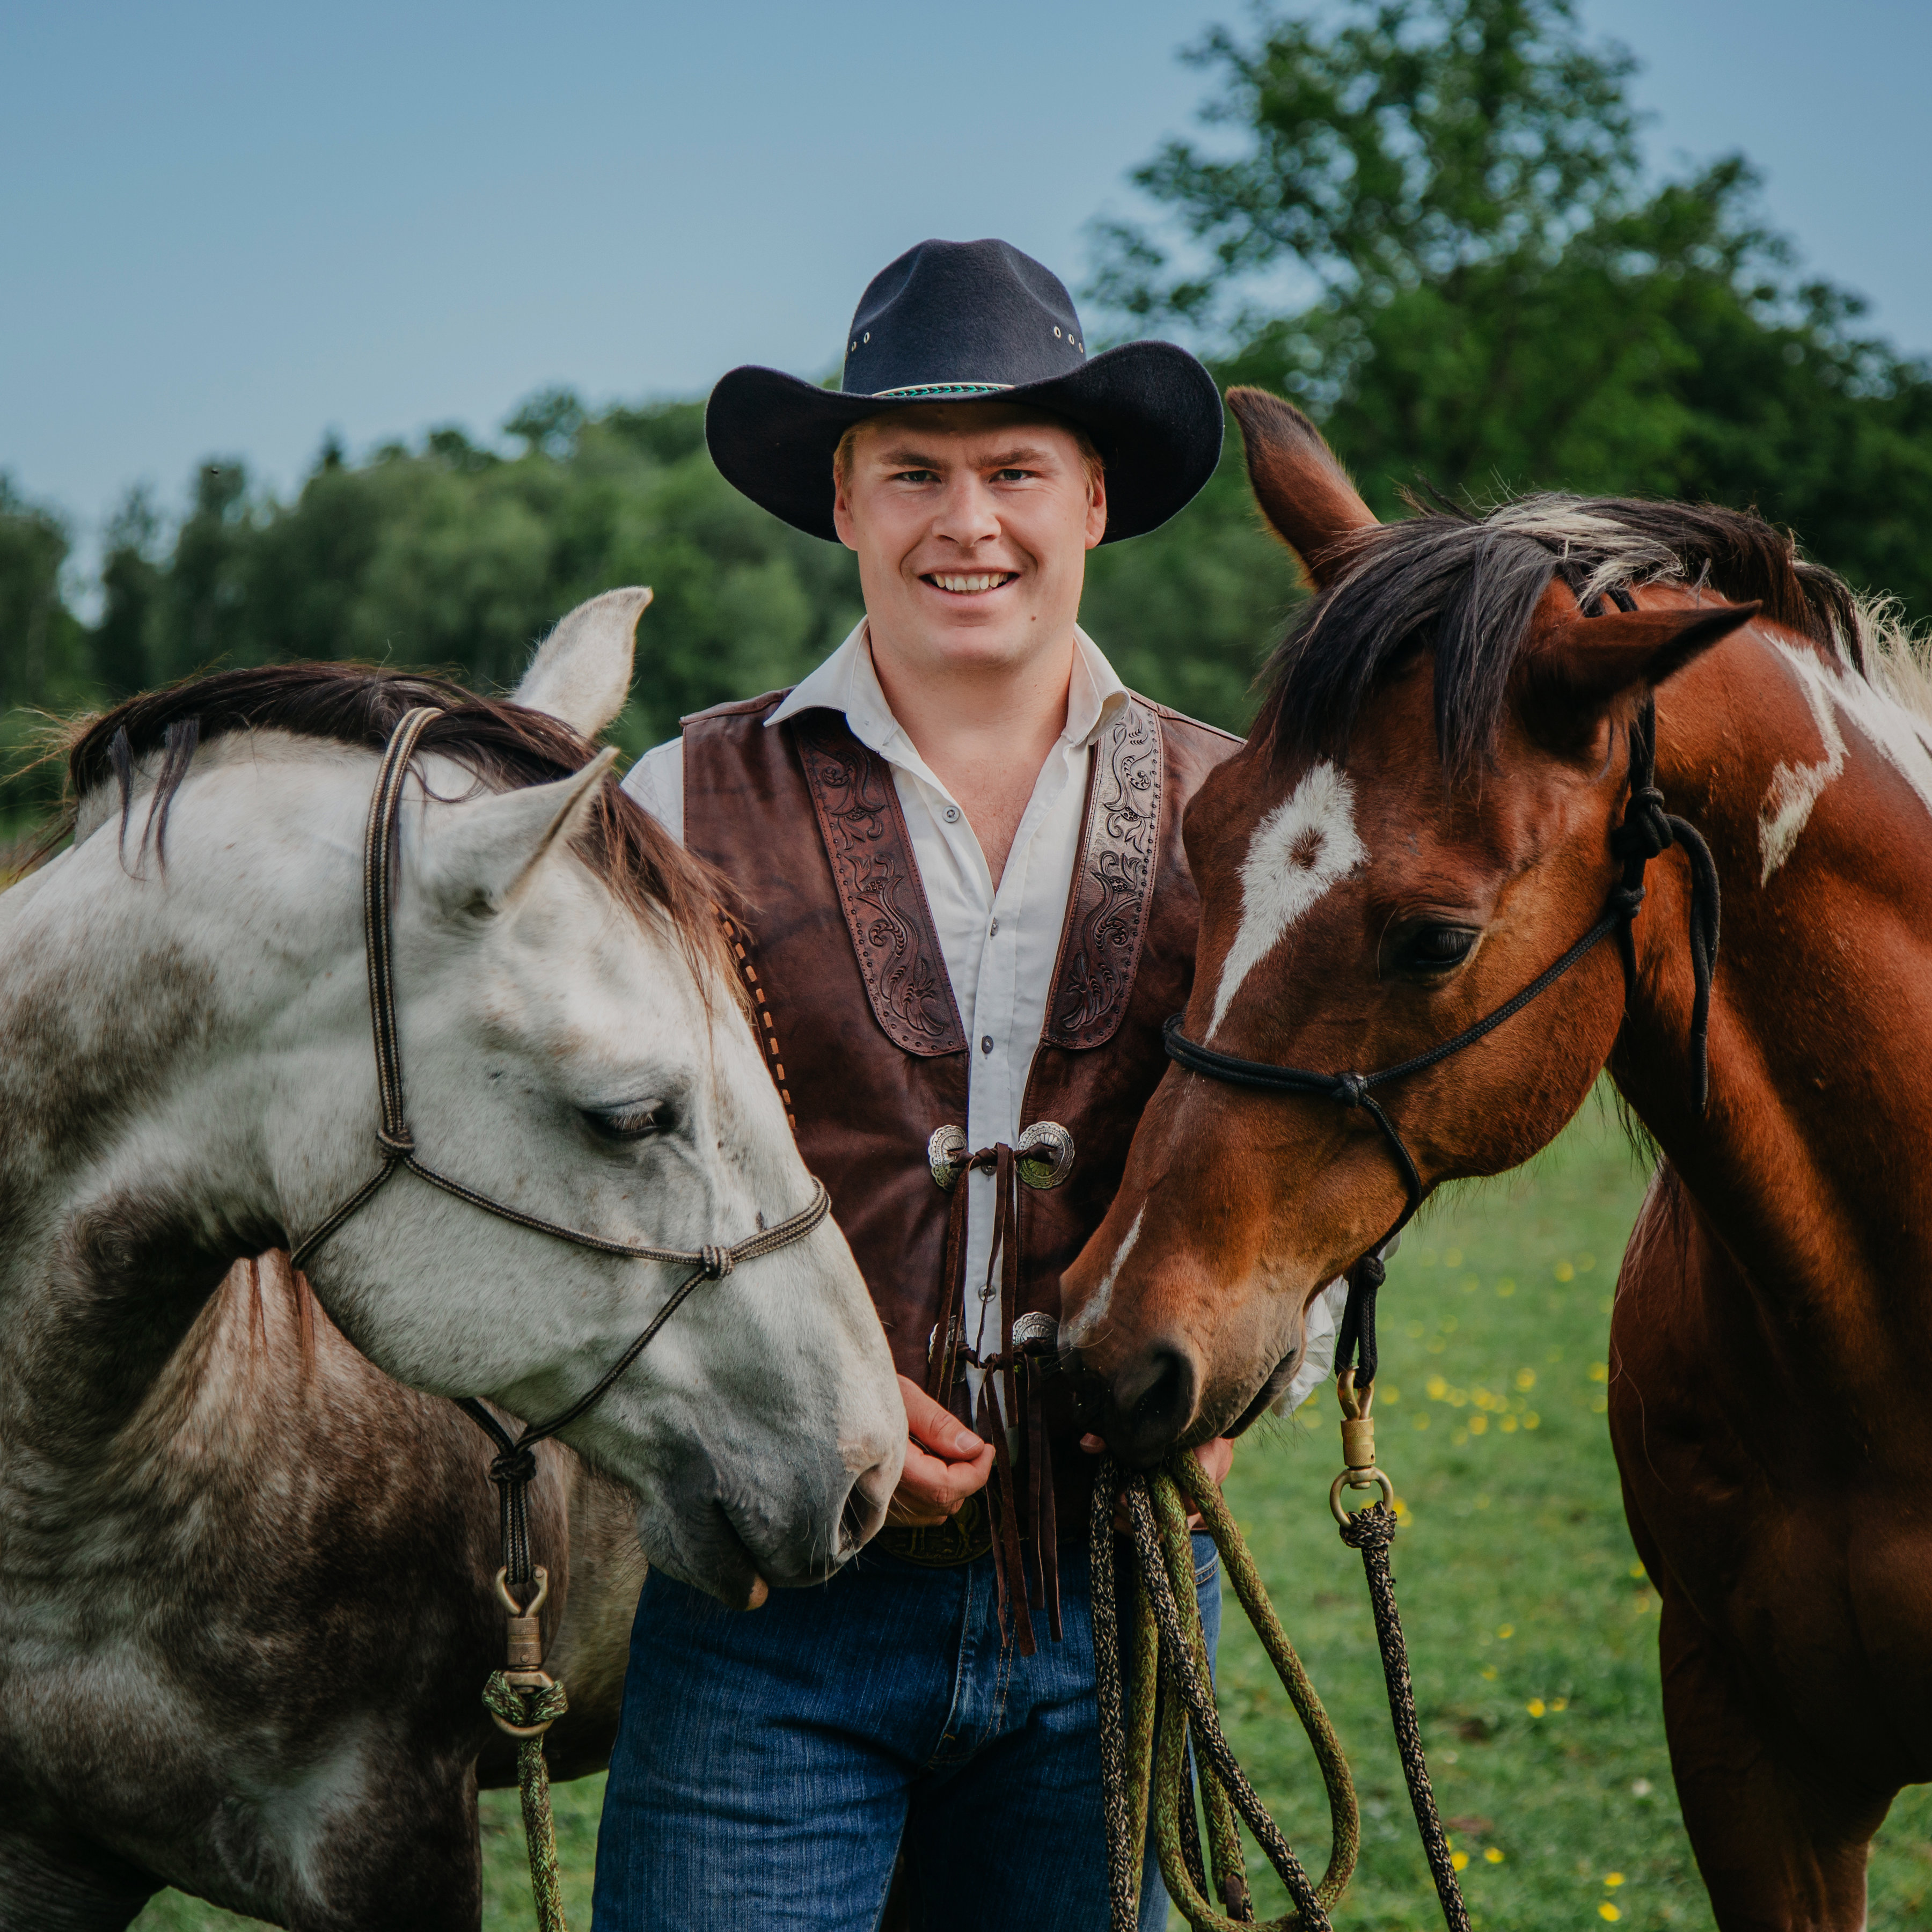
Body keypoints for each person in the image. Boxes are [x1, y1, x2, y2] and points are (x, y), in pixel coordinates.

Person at [595, 237, 1239, 1932]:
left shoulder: (1238, 811)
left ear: (1093, 499)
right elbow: (604, 1183)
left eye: (1015, 471)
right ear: (843, 502)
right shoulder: (678, 797)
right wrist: (803, 1386)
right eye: (914, 474)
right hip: (774, 1608)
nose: (969, 524)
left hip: (1116, 1599)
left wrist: (1239, 1386)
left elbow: (1297, 1160)